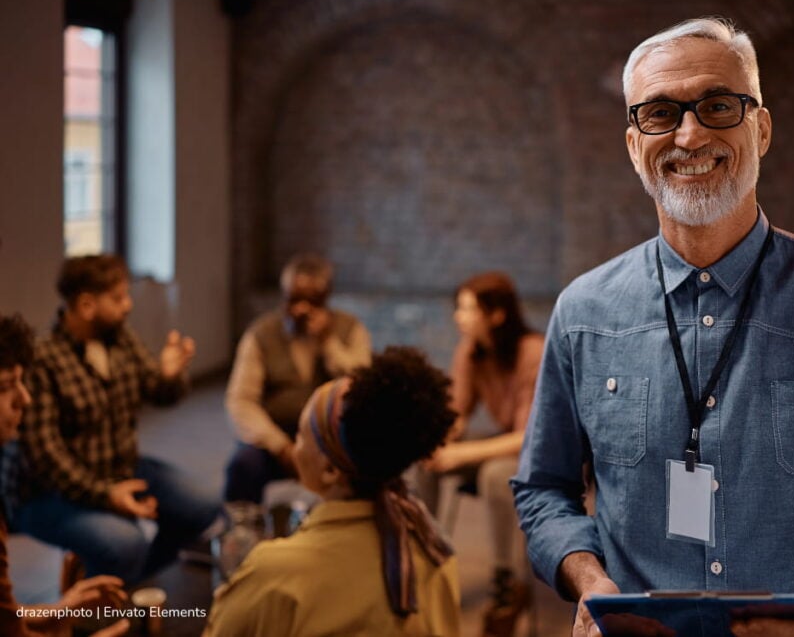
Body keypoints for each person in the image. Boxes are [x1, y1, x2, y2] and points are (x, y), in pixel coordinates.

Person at [511, 17, 794, 637]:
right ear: (634, 144)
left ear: (761, 129)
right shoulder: (584, 312)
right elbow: (544, 490)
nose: (688, 134)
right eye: (659, 113)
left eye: (717, 105)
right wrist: (589, 578)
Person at [204, 346, 460, 637]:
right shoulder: (436, 554)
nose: (295, 445)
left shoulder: (277, 575)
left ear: (329, 470)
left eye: (301, 436)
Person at [12, 254, 221, 585]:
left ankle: (131, 585)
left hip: (124, 468)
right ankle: (91, 619)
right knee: (125, 541)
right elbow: (45, 456)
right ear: (86, 304)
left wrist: (169, 375)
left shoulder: (121, 338)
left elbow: (158, 391)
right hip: (53, 493)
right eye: (119, 298)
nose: (128, 306)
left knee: (204, 506)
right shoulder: (45, 358)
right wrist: (106, 495)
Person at [419, 272, 544, 637]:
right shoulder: (471, 351)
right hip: (501, 441)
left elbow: (527, 438)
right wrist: (440, 438)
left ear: (496, 315)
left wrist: (461, 454)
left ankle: (508, 584)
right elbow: (457, 412)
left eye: (467, 309)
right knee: (425, 459)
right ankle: (421, 553)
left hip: (539, 452)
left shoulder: (531, 353)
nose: (459, 317)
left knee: (494, 473)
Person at [0, 312, 129, 637]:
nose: (24, 399)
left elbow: (5, 620)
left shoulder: (121, 341)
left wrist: (58, 609)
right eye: (5, 387)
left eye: (20, 382)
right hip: (44, 496)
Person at [223, 252, 372, 503]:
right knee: (242, 468)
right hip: (277, 437)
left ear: (326, 299)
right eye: (294, 300)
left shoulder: (350, 328)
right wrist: (281, 447)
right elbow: (240, 401)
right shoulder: (262, 334)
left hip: (333, 436)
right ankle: (243, 531)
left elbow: (361, 385)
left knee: (369, 463)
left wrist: (328, 343)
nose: (302, 309)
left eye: (312, 301)